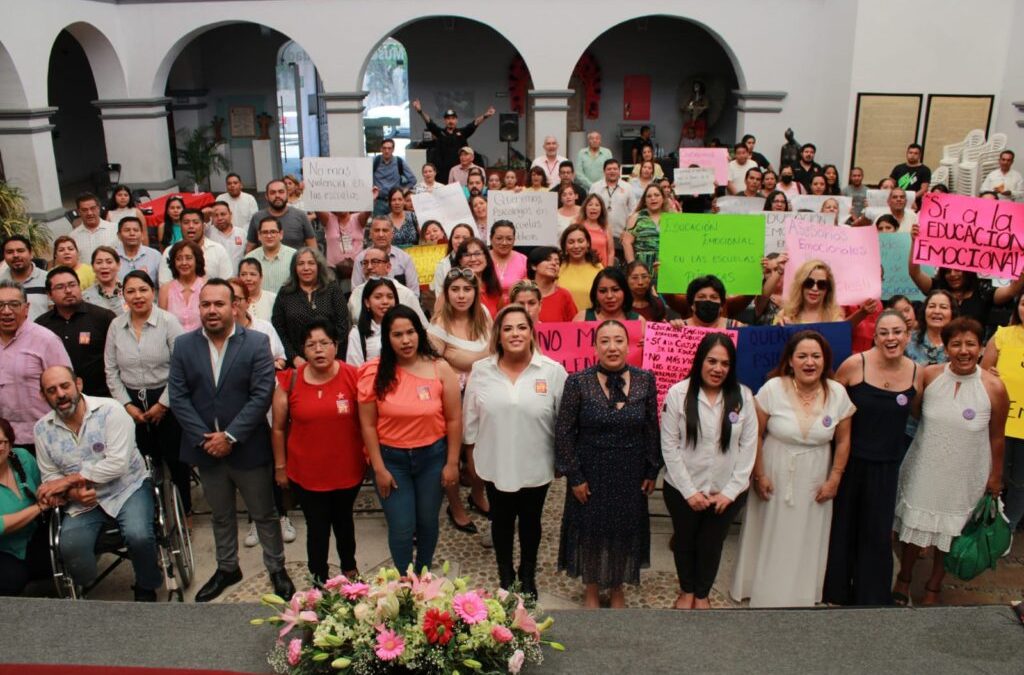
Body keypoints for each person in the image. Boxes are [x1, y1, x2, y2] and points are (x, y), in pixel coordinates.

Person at [168, 280, 294, 602]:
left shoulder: (255, 343)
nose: (212, 310)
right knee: (220, 515)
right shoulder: (183, 346)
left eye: (219, 304)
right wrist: (206, 439)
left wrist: (231, 436)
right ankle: (227, 568)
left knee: (264, 513)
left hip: (248, 448)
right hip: (206, 450)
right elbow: (179, 397)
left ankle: (276, 568)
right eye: (206, 304)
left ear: (234, 307)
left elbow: (262, 393)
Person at [731, 330, 855, 607]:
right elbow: (756, 435)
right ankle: (761, 589)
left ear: (825, 360)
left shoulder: (837, 393)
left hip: (816, 474)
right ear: (790, 361)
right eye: (802, 356)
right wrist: (759, 474)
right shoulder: (773, 389)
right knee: (771, 531)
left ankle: (800, 595)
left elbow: (844, 439)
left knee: (806, 534)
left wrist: (835, 478)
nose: (809, 362)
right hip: (774, 470)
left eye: (815, 356)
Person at [893, 318, 1006, 606]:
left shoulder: (994, 387)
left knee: (951, 530)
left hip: (967, 471)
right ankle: (904, 578)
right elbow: (914, 413)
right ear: (946, 348)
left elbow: (997, 437)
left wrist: (995, 478)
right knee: (913, 529)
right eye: (956, 344)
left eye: (971, 344)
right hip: (924, 465)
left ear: (981, 349)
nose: (963, 350)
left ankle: (934, 585)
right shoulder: (929, 376)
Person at [555, 319, 661, 608]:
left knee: (624, 528)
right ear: (595, 346)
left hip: (630, 470)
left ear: (629, 345)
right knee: (589, 528)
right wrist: (575, 476)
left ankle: (616, 587)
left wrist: (652, 469)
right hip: (591, 469)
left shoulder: (645, 380)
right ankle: (590, 587)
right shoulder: (577, 382)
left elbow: (652, 427)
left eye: (618, 340)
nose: (612, 347)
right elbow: (564, 432)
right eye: (605, 341)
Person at [33, 365, 161, 601]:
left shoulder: (110, 410)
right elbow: (50, 478)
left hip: (127, 487)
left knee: (139, 535)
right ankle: (87, 586)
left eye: (65, 386)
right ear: (43, 396)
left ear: (78, 384)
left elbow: (117, 464)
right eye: (52, 390)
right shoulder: (42, 430)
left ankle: (147, 586)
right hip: (82, 501)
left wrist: (71, 481)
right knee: (69, 547)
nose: (60, 394)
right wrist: (73, 496)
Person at [463, 304, 567, 593]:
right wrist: (471, 460)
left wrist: (563, 458)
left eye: (521, 327)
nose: (515, 333)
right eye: (507, 328)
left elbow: (565, 421)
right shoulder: (481, 371)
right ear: (498, 335)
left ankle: (528, 573)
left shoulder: (553, 372)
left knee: (531, 522)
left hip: (537, 463)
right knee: (501, 521)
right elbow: (470, 420)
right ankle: (506, 572)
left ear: (532, 332)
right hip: (494, 462)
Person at [822, 310, 922, 606]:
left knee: (878, 534)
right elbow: (833, 409)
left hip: (888, 464)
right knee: (843, 528)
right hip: (851, 462)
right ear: (875, 337)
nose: (891, 338)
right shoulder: (855, 365)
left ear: (907, 335)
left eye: (897, 332)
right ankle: (836, 592)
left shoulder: (918, 372)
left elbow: (918, 414)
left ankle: (872, 596)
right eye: (884, 333)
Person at [357, 305, 462, 573]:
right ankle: (405, 582)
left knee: (428, 523)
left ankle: (423, 577)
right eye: (397, 335)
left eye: (410, 332)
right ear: (387, 339)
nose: (405, 340)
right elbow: (368, 425)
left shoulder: (440, 368)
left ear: (420, 333)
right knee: (402, 527)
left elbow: (453, 419)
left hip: (432, 458)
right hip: (392, 462)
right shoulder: (374, 373)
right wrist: (378, 468)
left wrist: (452, 463)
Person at [661, 333, 757, 609]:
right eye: (712, 361)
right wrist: (690, 492)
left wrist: (729, 492)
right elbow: (669, 446)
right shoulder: (678, 394)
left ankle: (702, 593)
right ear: (700, 361)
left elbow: (748, 448)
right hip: (682, 489)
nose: (718, 369)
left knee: (712, 544)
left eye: (725, 363)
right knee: (684, 540)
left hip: (727, 493)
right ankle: (686, 590)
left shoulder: (744, 397)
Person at [271, 320, 365, 583]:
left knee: (344, 522)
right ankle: (319, 578)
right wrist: (280, 467)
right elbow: (278, 428)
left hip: (347, 470)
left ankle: (350, 571)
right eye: (311, 345)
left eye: (325, 343)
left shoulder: (353, 376)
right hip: (306, 473)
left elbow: (368, 422)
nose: (319, 350)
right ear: (303, 350)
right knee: (317, 527)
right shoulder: (290, 380)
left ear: (336, 346)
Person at [104, 270, 190, 517]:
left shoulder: (168, 321)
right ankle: (151, 513)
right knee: (141, 461)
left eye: (143, 290)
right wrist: (127, 406)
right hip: (131, 404)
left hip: (167, 398)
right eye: (130, 291)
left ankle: (186, 512)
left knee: (175, 460)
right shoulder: (116, 326)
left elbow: (181, 367)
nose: (137, 296)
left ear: (152, 292)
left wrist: (163, 404)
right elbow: (110, 370)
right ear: (123, 295)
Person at [428, 267, 492, 532]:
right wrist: (470, 364)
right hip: (454, 399)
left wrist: (468, 362)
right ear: (447, 293)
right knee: (453, 455)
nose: (461, 295)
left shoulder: (485, 315)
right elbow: (433, 366)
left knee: (482, 453)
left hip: (485, 394)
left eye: (467, 289)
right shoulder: (439, 324)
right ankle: (455, 506)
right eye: (455, 290)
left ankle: (478, 495)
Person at [0, 280, 71, 451]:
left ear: (26, 308)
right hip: (3, 440)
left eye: (14, 305)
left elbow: (67, 388)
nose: (6, 311)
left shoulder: (46, 340)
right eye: (1, 305)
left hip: (44, 435)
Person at [908, 231, 1024, 325]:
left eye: (958, 270)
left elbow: (1011, 291)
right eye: (947, 271)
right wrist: (915, 243)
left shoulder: (982, 290)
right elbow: (915, 273)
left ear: (968, 271)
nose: (952, 274)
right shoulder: (937, 287)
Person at [36, 266, 116, 397]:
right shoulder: (41, 325)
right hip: (60, 399)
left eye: (72, 285)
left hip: (101, 396)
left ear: (79, 287)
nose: (68, 291)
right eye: (60, 287)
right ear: (49, 294)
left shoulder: (103, 317)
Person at [980, 295, 1024, 530]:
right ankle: (983, 525)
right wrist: (990, 377)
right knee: (990, 475)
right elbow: (982, 375)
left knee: (1020, 483)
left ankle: (1007, 530)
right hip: (1000, 423)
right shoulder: (1002, 335)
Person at [272, 247, 351, 367]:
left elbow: (343, 324)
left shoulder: (332, 289)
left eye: (311, 263)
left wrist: (330, 354)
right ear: (294, 268)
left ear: (318, 266)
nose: (306, 268)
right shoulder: (285, 293)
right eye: (301, 264)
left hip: (330, 360)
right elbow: (279, 329)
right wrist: (293, 357)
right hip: (296, 363)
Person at [0, 416, 49, 596]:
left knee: (68, 550)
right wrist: (38, 508)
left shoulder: (23, 457)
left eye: (2, 442)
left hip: (32, 536)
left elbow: (42, 488)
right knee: (13, 579)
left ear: (10, 443)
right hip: (3, 549)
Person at [412, 101, 495, 186]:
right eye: (448, 119)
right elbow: (429, 122)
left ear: (456, 120)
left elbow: (475, 123)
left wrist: (485, 116)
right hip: (442, 175)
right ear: (445, 120)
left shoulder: (462, 133)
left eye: (453, 118)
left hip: (458, 173)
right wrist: (420, 111)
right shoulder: (440, 133)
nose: (450, 121)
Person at [347, 246, 426, 325]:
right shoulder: (357, 293)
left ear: (388, 267)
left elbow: (422, 327)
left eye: (375, 262)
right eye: (365, 263)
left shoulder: (405, 294)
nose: (369, 267)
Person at [158, 209, 232, 285]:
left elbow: (227, 283)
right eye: (186, 223)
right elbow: (164, 284)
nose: (191, 226)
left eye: (196, 222)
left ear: (203, 226)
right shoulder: (169, 251)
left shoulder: (218, 250)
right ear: (180, 226)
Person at [350, 216, 419, 293]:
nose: (381, 234)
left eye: (385, 230)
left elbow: (414, 292)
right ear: (371, 234)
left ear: (392, 234)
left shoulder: (405, 258)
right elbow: (355, 292)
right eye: (377, 230)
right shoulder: (361, 259)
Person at [245, 179, 316, 252]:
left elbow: (313, 247)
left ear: (287, 194)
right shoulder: (257, 217)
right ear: (266, 196)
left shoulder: (301, 215)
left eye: (281, 192)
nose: (277, 195)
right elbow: (250, 248)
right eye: (273, 192)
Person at [347, 277, 398, 366]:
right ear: (367, 302)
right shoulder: (357, 334)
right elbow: (355, 370)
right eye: (378, 297)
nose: (385, 301)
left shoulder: (405, 328)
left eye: (390, 297)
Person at [158, 240, 206, 332]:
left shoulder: (206, 287)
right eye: (179, 259)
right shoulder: (165, 289)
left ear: (197, 260)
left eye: (188, 258)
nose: (184, 263)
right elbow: (162, 325)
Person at [450, 238, 503, 318]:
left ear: (486, 258)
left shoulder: (495, 290)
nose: (473, 259)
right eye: (467, 255)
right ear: (460, 261)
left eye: (477, 254)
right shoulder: (450, 290)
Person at [1, 235, 48, 321]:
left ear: (31, 253)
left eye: (20, 251)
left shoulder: (48, 279)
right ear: (4, 256)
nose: (15, 255)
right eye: (10, 252)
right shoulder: (1, 282)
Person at [588, 159, 637, 242]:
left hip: (621, 235)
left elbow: (633, 212)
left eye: (615, 169)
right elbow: (588, 209)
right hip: (599, 234)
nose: (612, 171)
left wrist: (628, 231)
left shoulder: (628, 187)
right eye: (609, 169)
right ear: (604, 171)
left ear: (619, 171)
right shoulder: (595, 187)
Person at [525, 246, 578, 323]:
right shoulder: (521, 293)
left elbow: (574, 327)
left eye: (557, 262)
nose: (554, 264)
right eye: (548, 260)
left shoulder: (564, 295)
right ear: (534, 266)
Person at [622, 185, 667, 274]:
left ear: (663, 198)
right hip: (642, 267)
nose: (653, 198)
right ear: (645, 201)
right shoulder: (636, 217)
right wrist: (632, 266)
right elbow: (626, 242)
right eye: (649, 196)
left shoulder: (671, 217)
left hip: (665, 267)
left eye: (656, 195)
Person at [559, 225, 604, 313]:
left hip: (591, 321)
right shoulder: (557, 268)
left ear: (588, 244)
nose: (576, 246)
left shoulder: (598, 267)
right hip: (564, 323)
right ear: (565, 246)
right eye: (571, 242)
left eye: (580, 241)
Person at [248, 216, 297, 293]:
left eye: (273, 232)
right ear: (259, 235)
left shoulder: (294, 256)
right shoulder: (250, 258)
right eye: (265, 232)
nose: (269, 236)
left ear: (281, 234)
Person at [574, 268, 641, 322]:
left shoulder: (639, 322)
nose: (609, 296)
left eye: (615, 290)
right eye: (602, 291)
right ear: (595, 294)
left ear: (625, 292)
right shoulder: (581, 319)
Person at [70, 193, 118, 265]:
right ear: (79, 212)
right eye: (84, 210)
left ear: (98, 208)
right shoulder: (73, 237)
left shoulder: (115, 229)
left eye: (93, 208)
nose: (89, 213)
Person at [430, 223, 475, 298]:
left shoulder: (478, 262)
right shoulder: (442, 265)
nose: (460, 241)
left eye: (465, 238)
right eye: (456, 237)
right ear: (451, 240)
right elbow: (439, 296)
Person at [371, 139, 416, 214]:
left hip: (395, 201)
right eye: (384, 148)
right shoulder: (375, 161)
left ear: (393, 150)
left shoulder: (399, 161)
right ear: (381, 149)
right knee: (379, 225)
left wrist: (402, 191)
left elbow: (412, 180)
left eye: (389, 148)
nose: (387, 151)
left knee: (396, 224)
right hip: (379, 202)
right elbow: (365, 178)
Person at [115, 217, 162, 286]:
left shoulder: (155, 255)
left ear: (142, 234)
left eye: (136, 230)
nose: (132, 233)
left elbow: (163, 284)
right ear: (119, 235)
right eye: (127, 230)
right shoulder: (112, 256)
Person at [206, 201, 249, 273]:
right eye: (215, 215)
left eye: (223, 214)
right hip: (215, 281)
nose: (219, 218)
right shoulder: (207, 232)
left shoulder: (242, 233)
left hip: (237, 280)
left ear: (230, 214)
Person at [575, 194, 614, 267]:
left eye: (597, 205)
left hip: (602, 270)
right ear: (585, 208)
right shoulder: (578, 225)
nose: (593, 208)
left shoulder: (606, 227)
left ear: (601, 209)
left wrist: (609, 270)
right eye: (590, 205)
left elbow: (610, 252)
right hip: (581, 268)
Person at [82, 246, 124, 315]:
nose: (104, 266)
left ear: (118, 265)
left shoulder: (130, 290)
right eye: (99, 262)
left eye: (109, 262)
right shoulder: (86, 297)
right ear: (92, 267)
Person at [489, 221, 528, 292]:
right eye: (499, 238)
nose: (504, 243)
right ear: (491, 239)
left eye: (509, 239)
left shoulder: (523, 260)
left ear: (514, 240)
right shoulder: (482, 259)